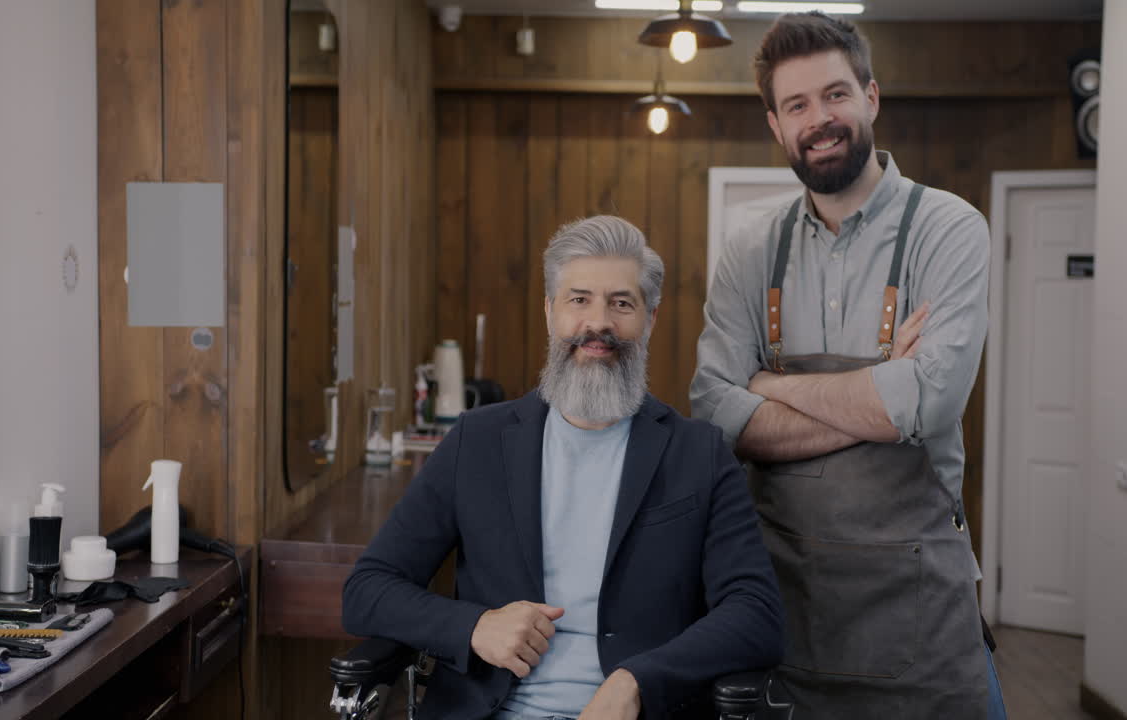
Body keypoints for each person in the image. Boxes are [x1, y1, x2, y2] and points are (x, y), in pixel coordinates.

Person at [690, 12, 1007, 720]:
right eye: (796, 104)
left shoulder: (947, 229)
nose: (819, 119)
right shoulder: (749, 252)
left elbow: (925, 407)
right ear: (775, 125)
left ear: (871, 97)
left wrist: (771, 387)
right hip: (781, 612)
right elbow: (714, 411)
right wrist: (875, 398)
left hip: (920, 623)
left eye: (835, 95)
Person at [344, 215, 784, 720]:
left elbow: (757, 615)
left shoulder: (698, 454)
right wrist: (473, 627)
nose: (599, 323)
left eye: (622, 303)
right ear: (550, 311)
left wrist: (636, 681)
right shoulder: (477, 441)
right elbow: (368, 589)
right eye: (579, 299)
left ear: (651, 319)